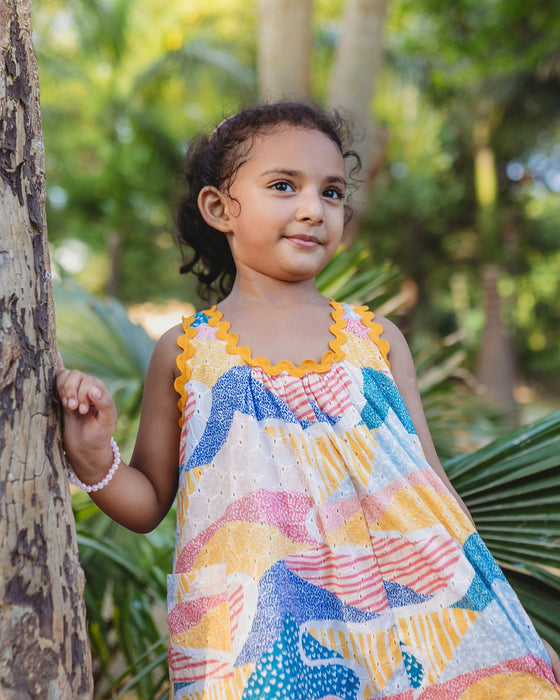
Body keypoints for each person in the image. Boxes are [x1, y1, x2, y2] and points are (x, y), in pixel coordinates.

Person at [57, 102, 560, 699]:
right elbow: (147, 505)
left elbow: (431, 486)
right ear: (219, 208)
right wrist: (94, 459)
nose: (312, 209)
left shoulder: (377, 341)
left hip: (418, 621)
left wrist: (501, 611)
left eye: (331, 192)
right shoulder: (188, 352)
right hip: (259, 638)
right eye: (282, 185)